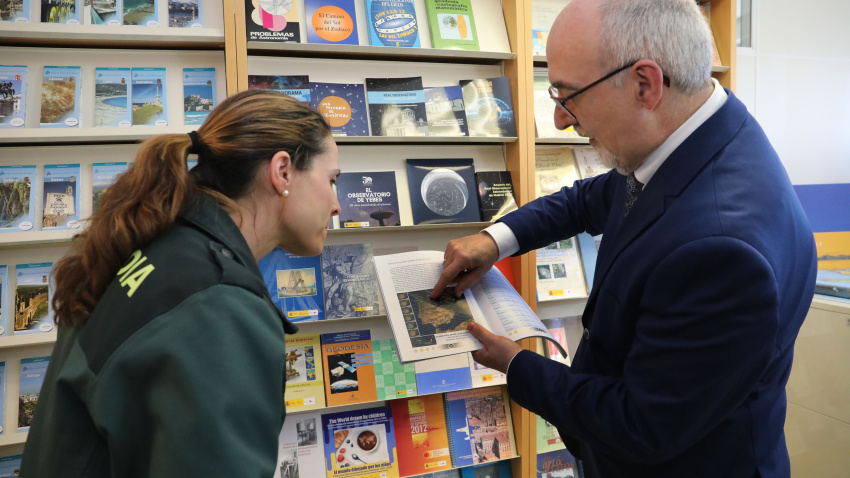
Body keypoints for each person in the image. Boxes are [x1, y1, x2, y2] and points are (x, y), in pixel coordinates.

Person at [432, 0, 817, 476]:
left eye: (567, 96)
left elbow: (642, 425)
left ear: (645, 84)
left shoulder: (722, 248)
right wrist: (497, 239)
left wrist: (517, 366)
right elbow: (596, 197)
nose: (560, 120)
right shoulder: (699, 134)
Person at [21, 90, 341, 477]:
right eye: (332, 180)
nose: (337, 204)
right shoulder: (219, 307)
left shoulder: (157, 249)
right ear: (283, 171)